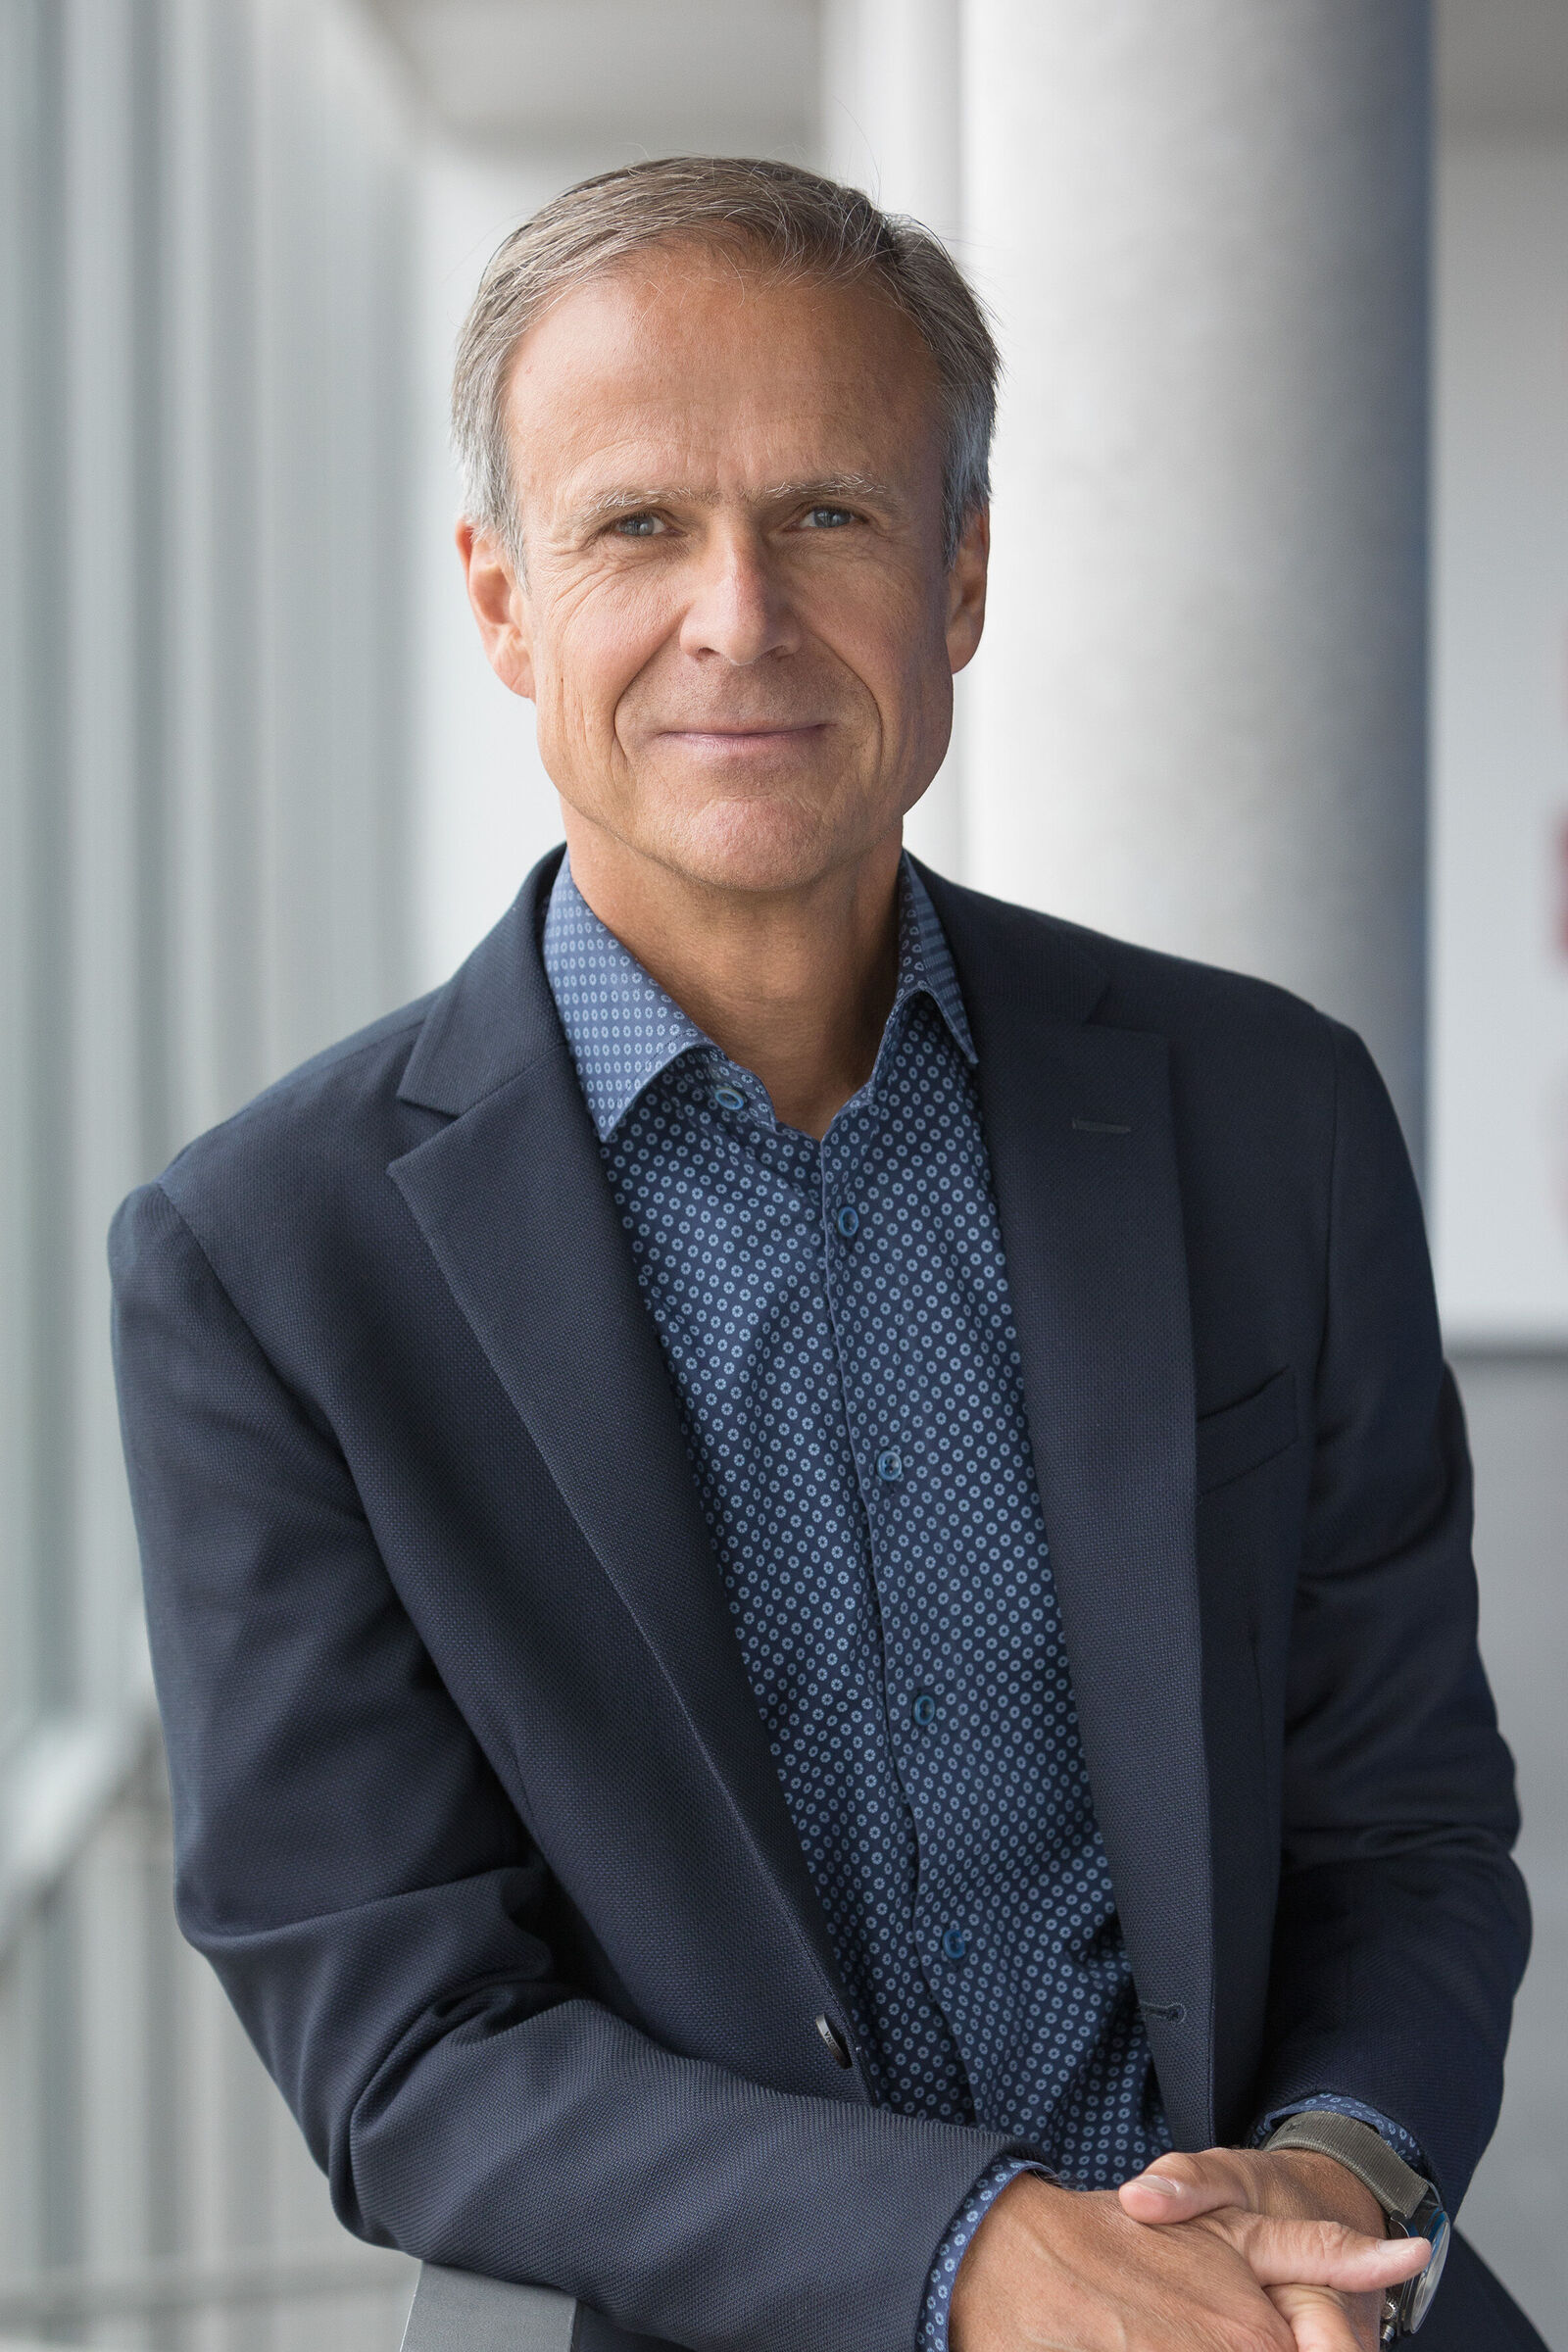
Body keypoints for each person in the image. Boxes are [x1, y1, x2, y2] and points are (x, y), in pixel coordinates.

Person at [111, 158, 1542, 2352]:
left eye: (830, 518)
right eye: (634, 527)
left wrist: (1329, 2158)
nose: (737, 618)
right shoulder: (265, 1266)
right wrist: (967, 2255)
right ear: (500, 602)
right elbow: (404, 2043)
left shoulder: (1268, 1118)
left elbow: (1407, 1829)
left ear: (958, 577)